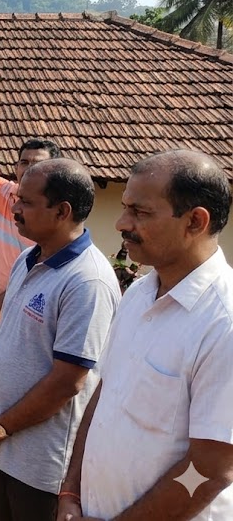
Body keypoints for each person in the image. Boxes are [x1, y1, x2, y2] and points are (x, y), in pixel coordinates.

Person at [58, 150, 233, 521]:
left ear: (195, 221)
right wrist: (71, 491)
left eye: (140, 212)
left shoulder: (224, 322)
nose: (121, 223)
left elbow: (208, 470)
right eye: (124, 208)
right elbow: (105, 396)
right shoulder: (138, 293)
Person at [0, 159, 120, 521]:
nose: (14, 208)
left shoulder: (87, 281)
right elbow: (3, 341)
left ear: (62, 211)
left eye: (27, 202)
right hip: (4, 447)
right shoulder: (27, 259)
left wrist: (0, 426)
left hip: (43, 466)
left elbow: (68, 381)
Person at [0, 138, 60, 481]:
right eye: (24, 162)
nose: (28, 168)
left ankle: (7, 458)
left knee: (12, 387)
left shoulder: (49, 215)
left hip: (18, 317)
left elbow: (38, 273)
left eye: (37, 163)